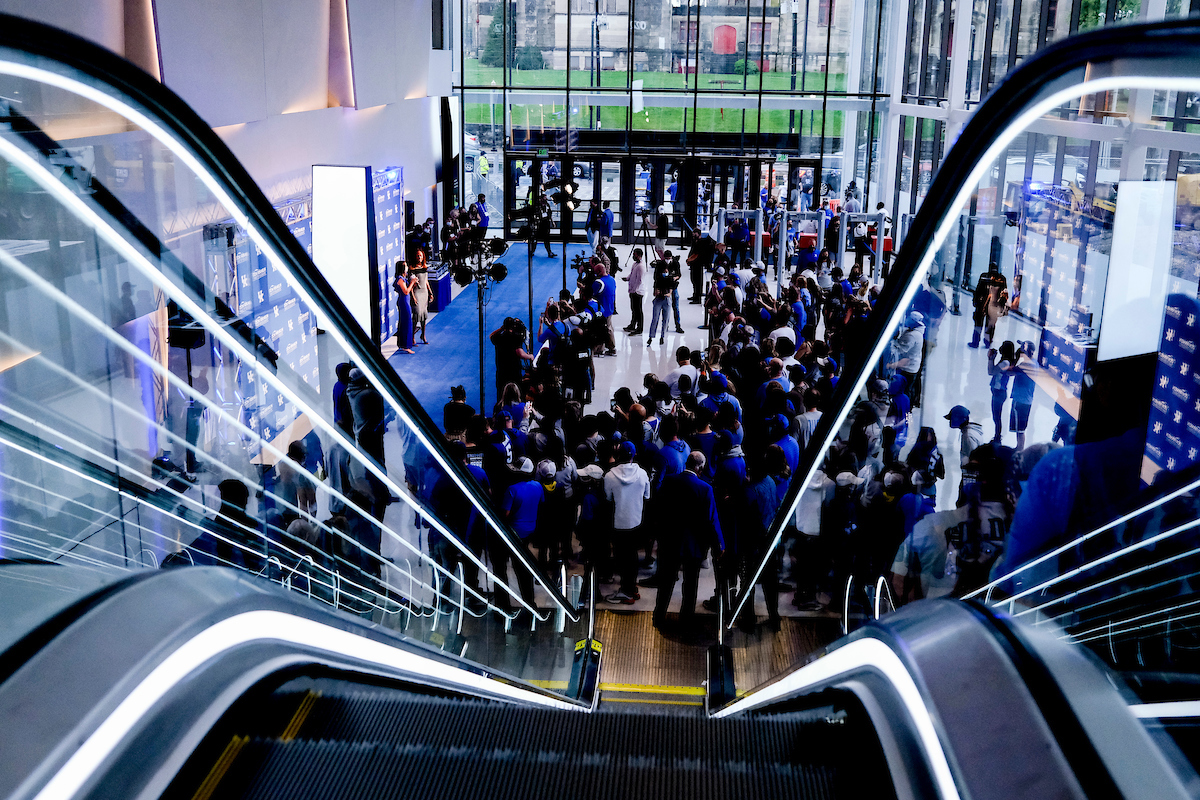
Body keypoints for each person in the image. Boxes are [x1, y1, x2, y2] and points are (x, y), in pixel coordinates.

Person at [653, 451, 724, 629]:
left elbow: (658, 508)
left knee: (666, 582)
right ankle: (686, 620)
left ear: (687, 463)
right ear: (700, 468)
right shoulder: (705, 489)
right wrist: (718, 546)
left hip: (670, 541)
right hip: (694, 545)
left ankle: (658, 617)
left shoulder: (669, 481)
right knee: (691, 585)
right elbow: (711, 520)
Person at [603, 441, 651, 604]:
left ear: (618, 455)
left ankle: (626, 591)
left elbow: (608, 498)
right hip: (636, 521)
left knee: (622, 557)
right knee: (633, 556)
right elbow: (647, 496)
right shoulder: (642, 474)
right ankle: (631, 587)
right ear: (634, 455)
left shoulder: (610, 476)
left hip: (618, 522)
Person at [495, 456, 543, 610]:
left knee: (500, 567)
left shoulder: (512, 490)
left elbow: (505, 514)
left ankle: (503, 604)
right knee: (523, 569)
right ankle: (530, 602)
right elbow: (541, 504)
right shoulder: (538, 486)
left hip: (512, 533)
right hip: (530, 530)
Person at [490, 317, 533, 398]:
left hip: (501, 371)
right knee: (515, 392)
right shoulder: (515, 337)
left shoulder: (498, 337)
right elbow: (520, 353)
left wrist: (502, 328)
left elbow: (492, 335)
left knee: (502, 393)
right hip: (514, 371)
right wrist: (530, 356)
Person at [969, 263, 1008, 348]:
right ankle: (987, 342)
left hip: (982, 304)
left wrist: (975, 301)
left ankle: (976, 342)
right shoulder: (1001, 279)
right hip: (992, 306)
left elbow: (978, 290)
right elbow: (1004, 294)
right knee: (989, 325)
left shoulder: (985, 276)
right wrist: (1002, 306)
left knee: (979, 324)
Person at [1010, 341, 1036, 449]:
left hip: (1021, 400)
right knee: (1019, 427)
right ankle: (1019, 447)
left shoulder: (1026, 365)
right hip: (1026, 399)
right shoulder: (1034, 363)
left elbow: (1009, 372)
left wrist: (1014, 359)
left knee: (1020, 429)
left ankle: (1020, 449)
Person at [591, 263, 618, 356]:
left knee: (601, 329)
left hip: (601, 310)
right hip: (610, 308)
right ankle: (611, 348)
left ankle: (600, 350)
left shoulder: (599, 282)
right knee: (609, 328)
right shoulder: (612, 279)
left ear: (599, 271)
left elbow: (591, 294)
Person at [392, 261, 416, 353]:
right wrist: (412, 283)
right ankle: (405, 345)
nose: (407, 267)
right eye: (405, 266)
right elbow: (406, 291)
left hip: (405, 301)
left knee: (406, 322)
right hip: (404, 302)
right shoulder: (400, 279)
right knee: (406, 323)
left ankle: (404, 343)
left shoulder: (403, 278)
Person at [410, 249, 431, 345]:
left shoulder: (425, 267)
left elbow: (426, 281)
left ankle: (423, 335)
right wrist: (413, 297)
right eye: (418, 255)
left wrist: (430, 293)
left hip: (424, 293)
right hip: (417, 293)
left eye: (421, 256)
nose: (419, 257)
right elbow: (411, 284)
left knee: (424, 315)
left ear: (423, 257)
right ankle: (412, 337)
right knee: (416, 315)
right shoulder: (412, 268)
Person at [624, 247, 646, 335]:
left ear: (639, 255)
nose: (633, 256)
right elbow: (632, 273)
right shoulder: (635, 264)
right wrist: (627, 278)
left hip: (637, 292)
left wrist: (634, 290)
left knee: (638, 310)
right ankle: (632, 325)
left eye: (635, 254)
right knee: (633, 309)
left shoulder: (641, 266)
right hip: (633, 290)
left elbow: (639, 280)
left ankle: (640, 328)